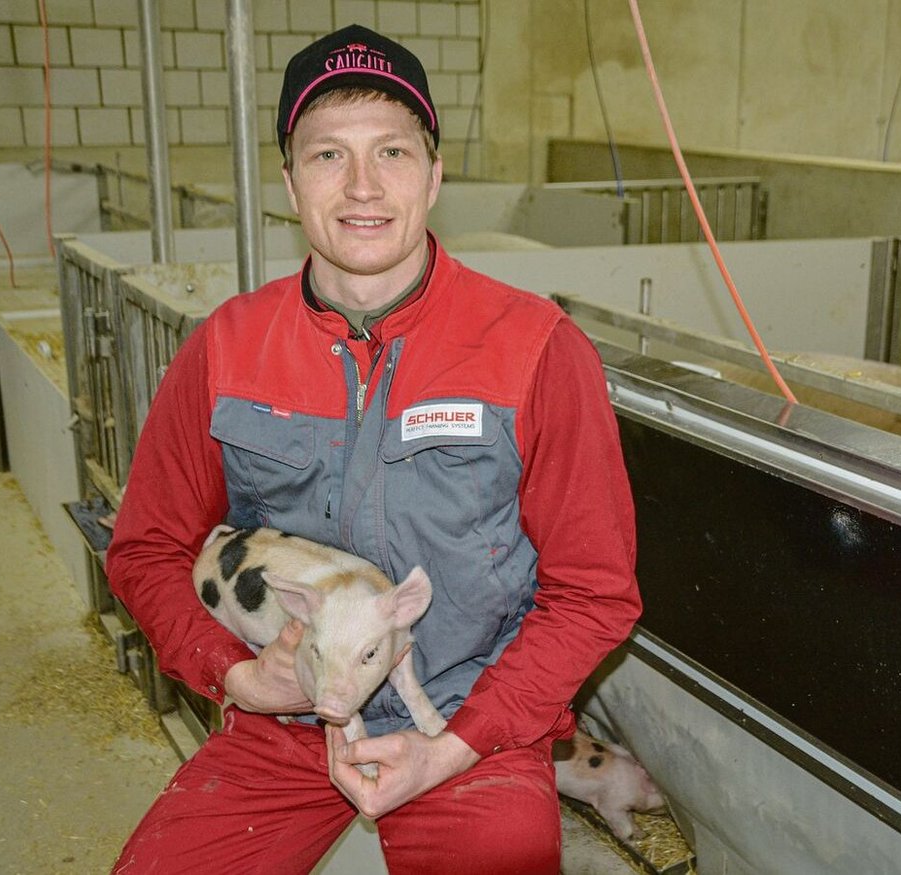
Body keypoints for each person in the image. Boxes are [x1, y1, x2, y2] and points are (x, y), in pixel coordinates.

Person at [106, 22, 641, 873]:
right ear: (289, 182)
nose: (362, 185)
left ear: (434, 174)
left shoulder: (537, 347)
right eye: (327, 156)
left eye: (391, 151)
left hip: (468, 720)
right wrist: (235, 677)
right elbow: (144, 547)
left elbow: (595, 593)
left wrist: (458, 743)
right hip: (287, 719)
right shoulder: (227, 345)